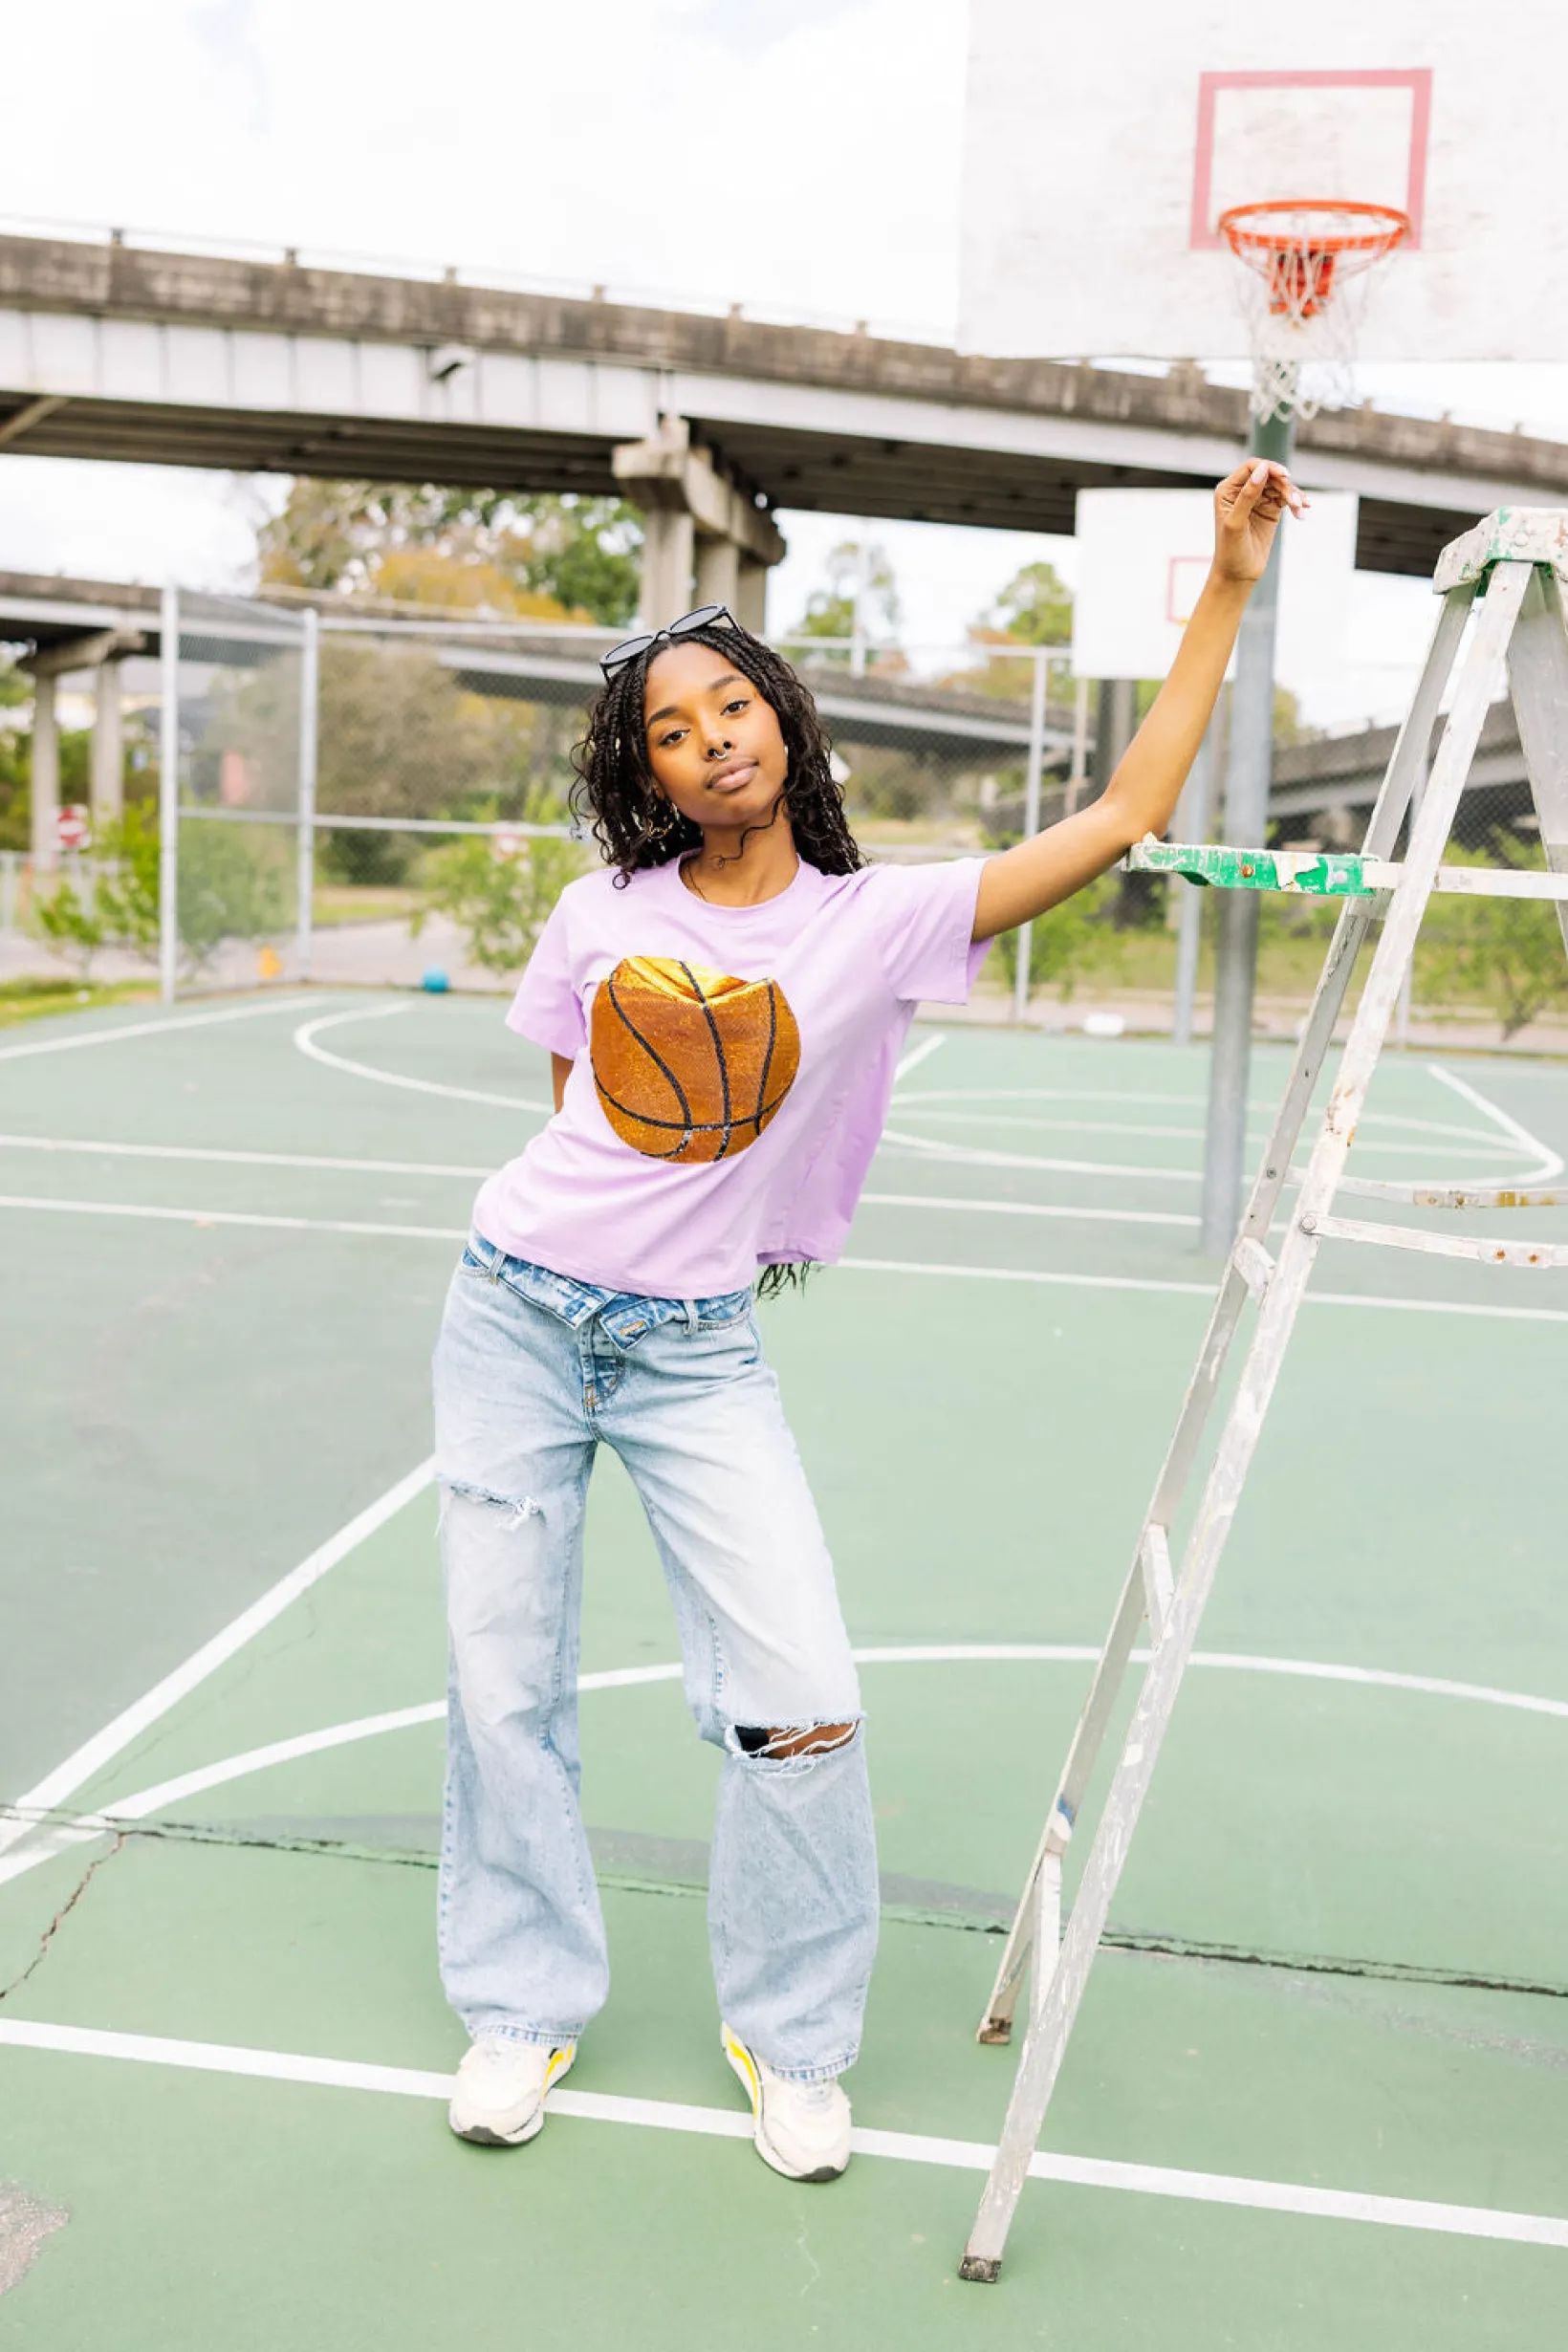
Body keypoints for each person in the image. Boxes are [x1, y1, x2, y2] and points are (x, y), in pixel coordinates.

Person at [433, 459, 1303, 2179]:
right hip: (514, 1309)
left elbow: (1124, 812)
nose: (712, 741)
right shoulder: (602, 912)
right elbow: (573, 1112)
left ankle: (792, 2035)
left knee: (803, 1697)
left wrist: (1226, 586)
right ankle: (519, 2007)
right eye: (673, 731)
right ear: (647, 771)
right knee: (500, 1677)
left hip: (689, 1351)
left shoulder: (877, 919)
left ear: (787, 725)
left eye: (733, 706)